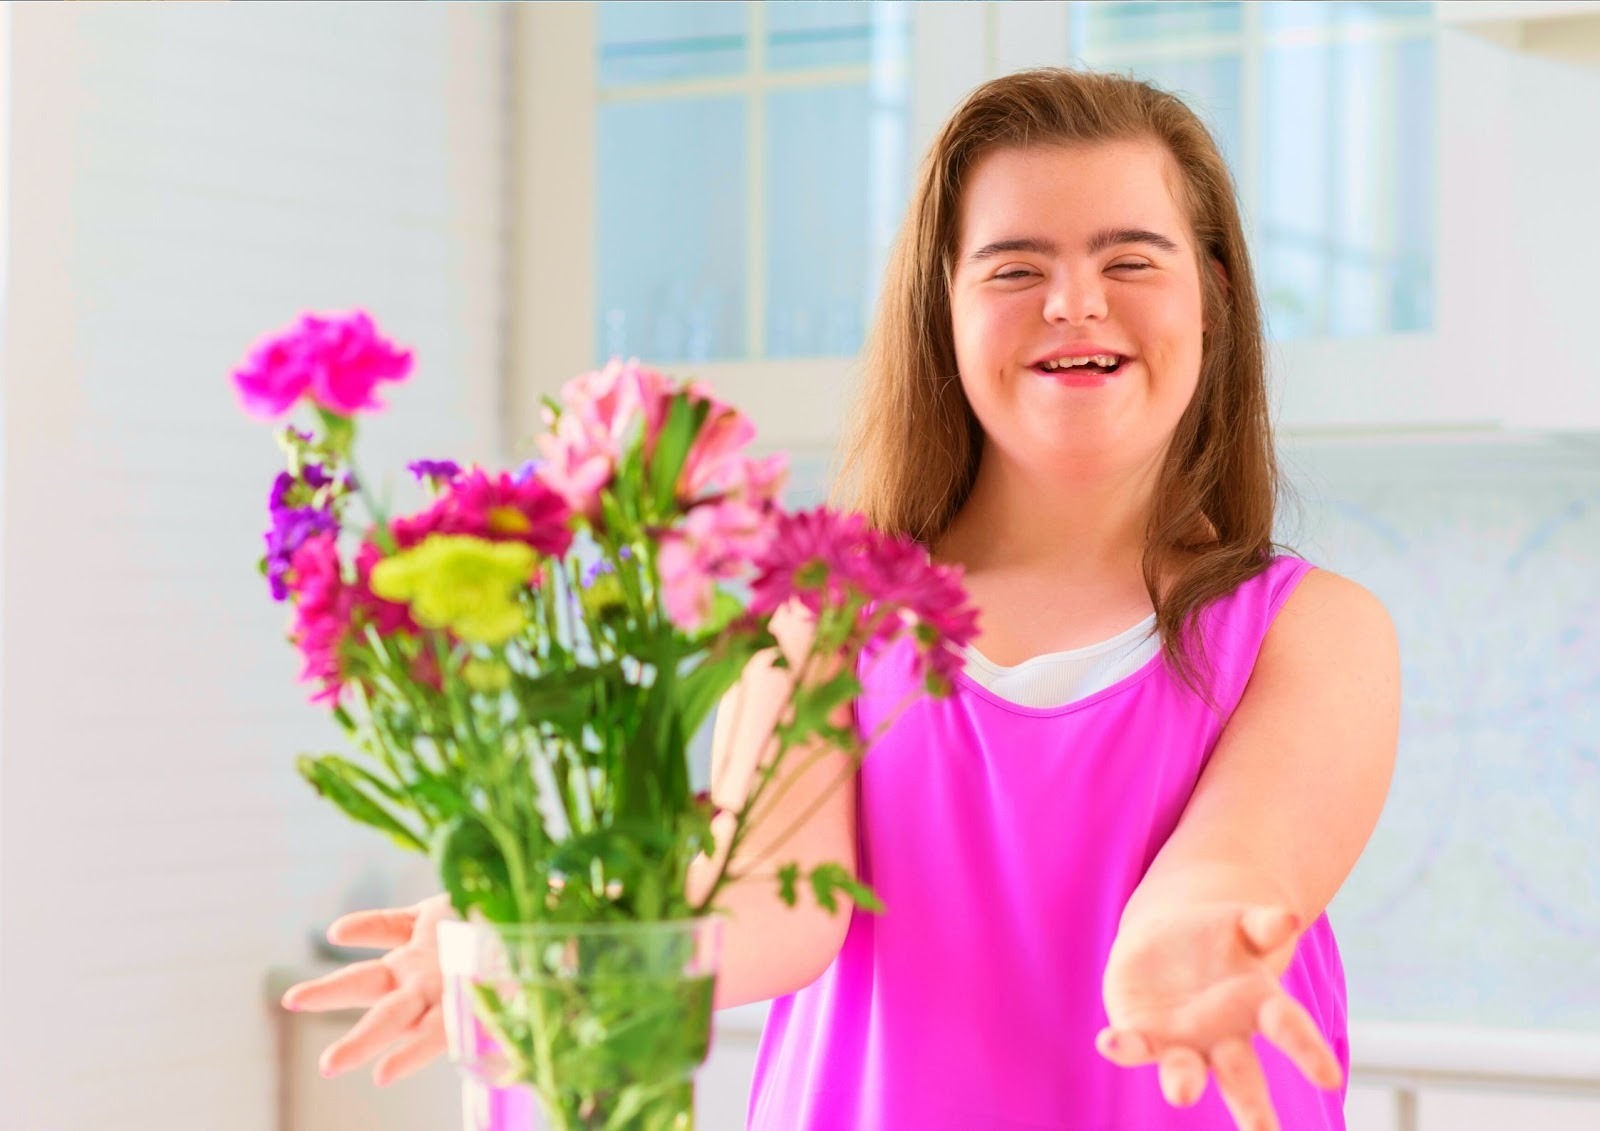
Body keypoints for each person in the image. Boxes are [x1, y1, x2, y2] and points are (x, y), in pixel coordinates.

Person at [281, 67, 1400, 1130]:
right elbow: (767, 908)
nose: (1073, 303)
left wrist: (1186, 950)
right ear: (943, 312)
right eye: (1014, 268)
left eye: (1130, 260)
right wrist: (539, 935)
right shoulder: (832, 617)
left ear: (1210, 293)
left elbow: (1234, 870)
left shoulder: (1311, 632)